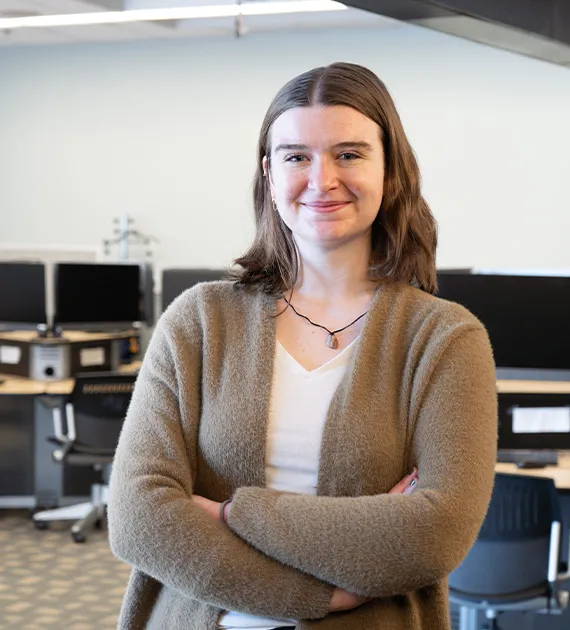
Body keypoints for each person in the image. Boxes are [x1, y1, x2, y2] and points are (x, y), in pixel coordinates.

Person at [108, 62, 498, 630]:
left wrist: (228, 513)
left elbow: (432, 535)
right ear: (269, 173)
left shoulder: (445, 340)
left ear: (391, 170)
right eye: (296, 156)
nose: (321, 179)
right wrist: (321, 596)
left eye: (349, 154)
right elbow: (139, 518)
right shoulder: (199, 320)